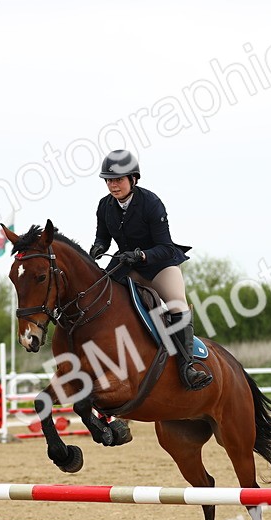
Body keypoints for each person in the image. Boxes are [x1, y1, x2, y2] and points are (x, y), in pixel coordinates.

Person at [88, 150, 212, 391]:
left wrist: (142, 255)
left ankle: (188, 367)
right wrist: (98, 247)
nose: (113, 185)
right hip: (126, 263)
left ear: (133, 179)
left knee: (176, 303)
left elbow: (166, 247)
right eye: (109, 180)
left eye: (118, 180)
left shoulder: (151, 203)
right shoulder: (105, 206)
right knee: (98, 294)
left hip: (158, 265)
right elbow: (102, 237)